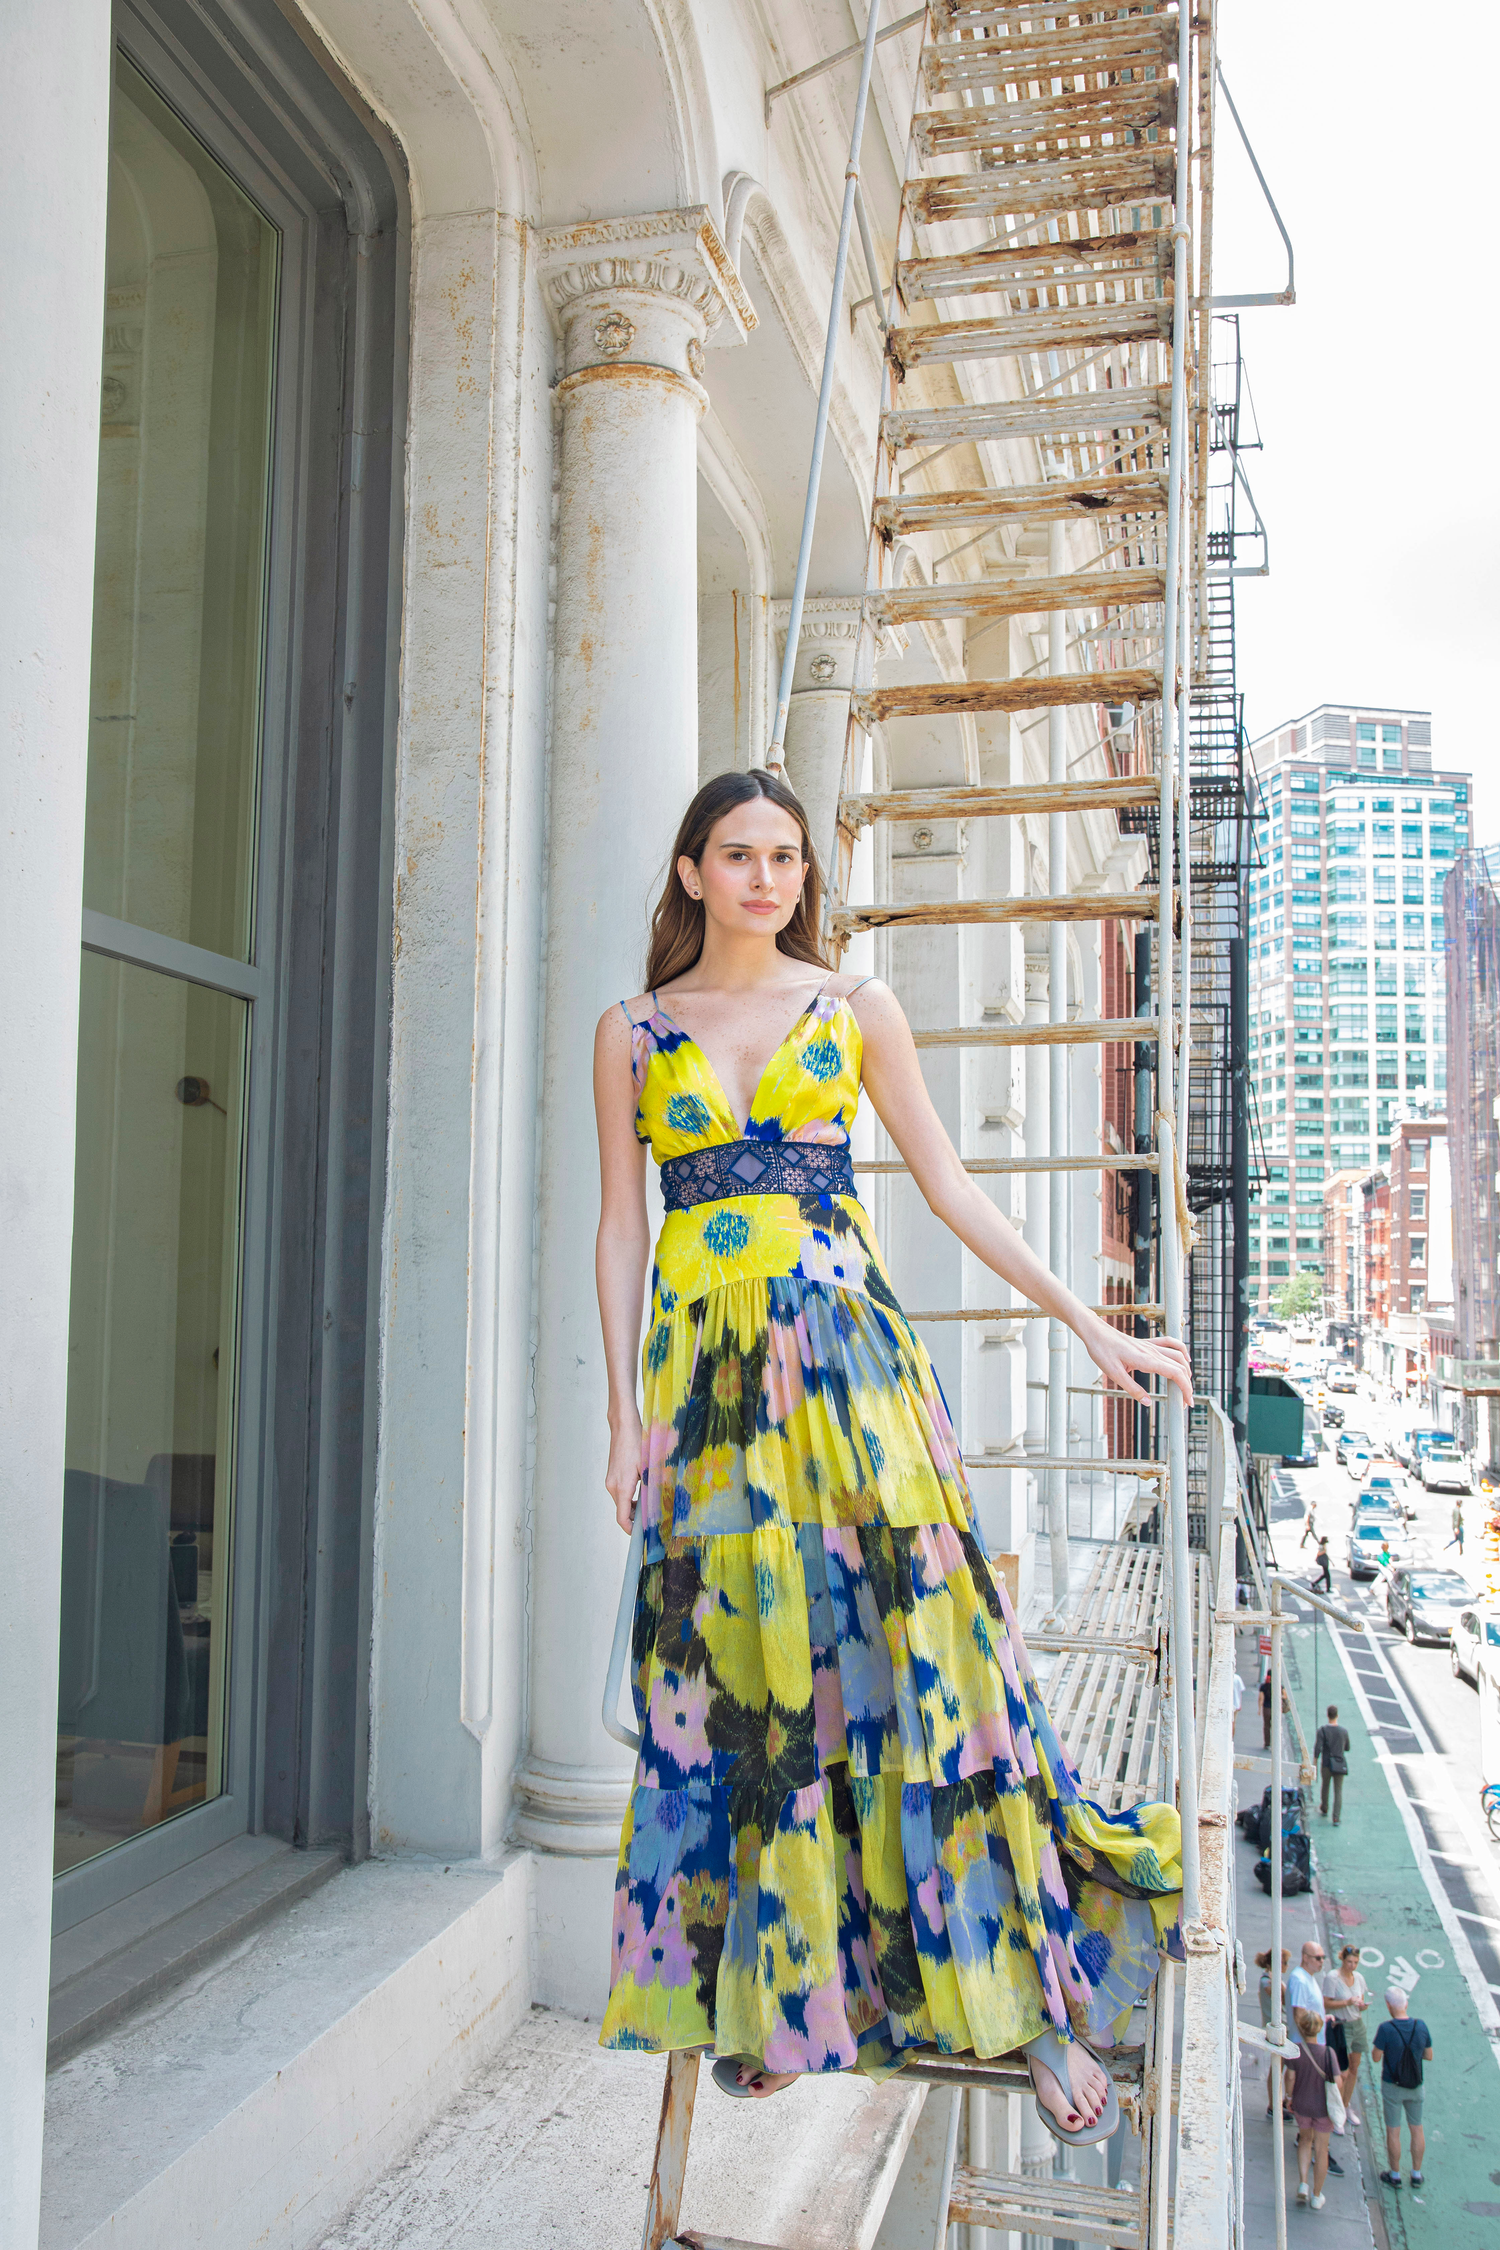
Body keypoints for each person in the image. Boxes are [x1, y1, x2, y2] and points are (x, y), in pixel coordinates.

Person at [592, 772, 1192, 2138]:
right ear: (691, 872)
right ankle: (785, 1995)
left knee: (930, 1670)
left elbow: (951, 1181)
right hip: (711, 1413)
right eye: (738, 854)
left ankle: (1026, 2005)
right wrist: (623, 1417)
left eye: (786, 856)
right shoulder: (630, 1033)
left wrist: (1088, 1320)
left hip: (856, 1386)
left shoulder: (854, 1006)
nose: (765, 877)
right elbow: (622, 1232)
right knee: (750, 1696)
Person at [1286, 1942, 1343, 2174]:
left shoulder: (1306, 1977)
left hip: (1312, 2043)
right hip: (1309, 2047)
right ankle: (1313, 2145)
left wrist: (1321, 2018)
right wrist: (1311, 2036)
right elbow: (1299, 2013)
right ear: (1306, 1957)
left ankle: (1306, 2139)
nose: (1321, 1961)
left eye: (1322, 1957)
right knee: (1314, 2096)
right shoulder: (1300, 1980)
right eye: (1318, 1958)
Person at [1373, 1988, 1431, 2187]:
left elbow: (1375, 2056)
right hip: (1415, 2086)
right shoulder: (1421, 2026)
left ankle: (1395, 2175)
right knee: (1417, 2129)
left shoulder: (1385, 2029)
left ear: (1388, 2006)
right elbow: (1429, 2055)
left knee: (1393, 2131)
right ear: (1405, 2004)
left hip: (1393, 2086)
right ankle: (1416, 2174)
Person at [1288, 2006, 1339, 2209]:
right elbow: (1337, 2081)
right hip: (1323, 2108)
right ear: (1319, 2029)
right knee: (1321, 2150)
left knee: (1304, 2141)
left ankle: (1303, 2184)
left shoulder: (1296, 2051)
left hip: (1301, 2103)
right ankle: (1317, 2195)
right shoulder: (1328, 2053)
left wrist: (1289, 2097)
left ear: (1301, 2028)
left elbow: (1290, 2076)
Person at [1323, 1944, 1368, 2125]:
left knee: (1355, 2067)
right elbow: (1326, 2003)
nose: (1352, 1966)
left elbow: (1361, 2001)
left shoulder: (1359, 1978)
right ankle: (1338, 2111)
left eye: (1355, 1962)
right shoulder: (1333, 1977)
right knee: (1343, 2071)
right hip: (1340, 2026)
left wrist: (1361, 2006)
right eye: (1349, 1962)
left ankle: (1346, 2104)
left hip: (1357, 2023)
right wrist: (1347, 2002)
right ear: (1342, 1959)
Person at [1256, 1946, 1290, 2116]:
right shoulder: (1267, 1982)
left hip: (1278, 2028)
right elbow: (1283, 1998)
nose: (1286, 1966)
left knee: (1279, 2068)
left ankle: (1279, 2101)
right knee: (1276, 2068)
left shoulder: (1272, 1980)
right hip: (1273, 2030)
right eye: (1284, 1963)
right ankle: (1273, 2105)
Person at [1313, 1706, 1350, 1825]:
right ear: (1337, 1716)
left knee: (1325, 1786)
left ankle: (1324, 1807)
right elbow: (1347, 1748)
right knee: (1338, 1790)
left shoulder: (1322, 1730)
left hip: (1327, 1763)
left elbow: (1318, 1748)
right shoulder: (1343, 1731)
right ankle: (1336, 1817)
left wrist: (1315, 1760)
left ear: (1327, 1715)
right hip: (1339, 1763)